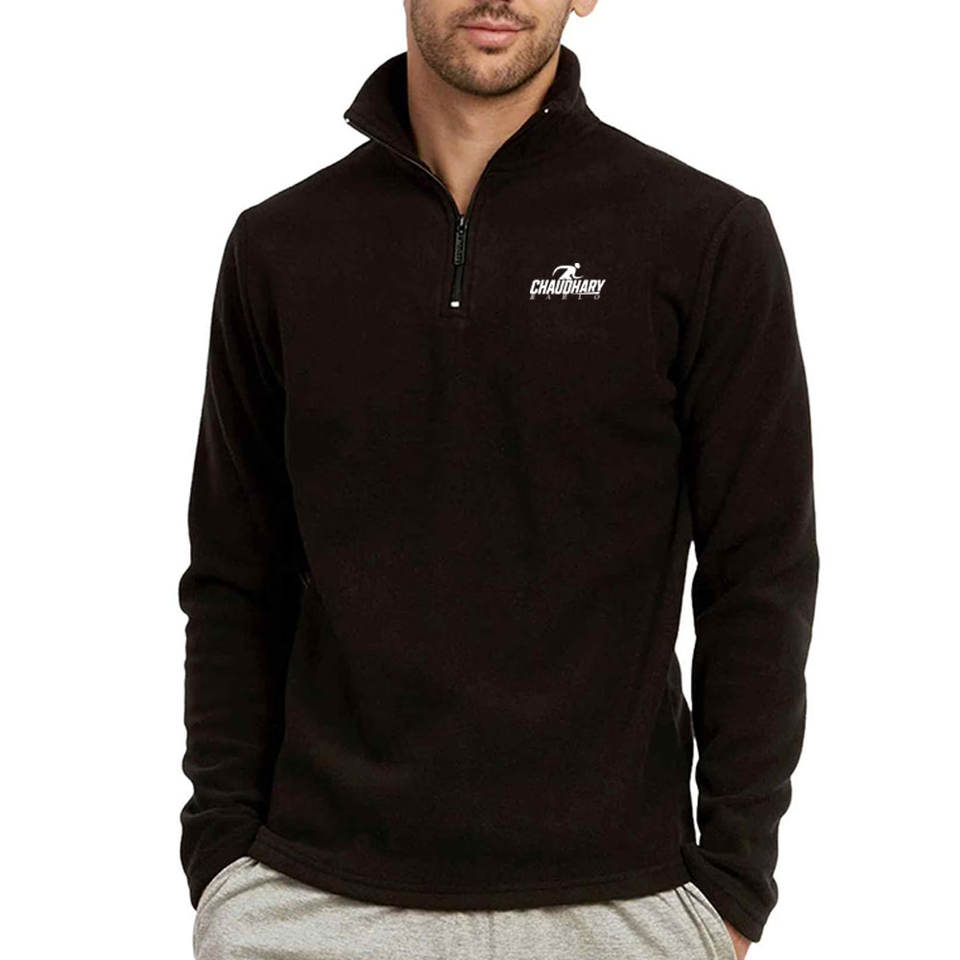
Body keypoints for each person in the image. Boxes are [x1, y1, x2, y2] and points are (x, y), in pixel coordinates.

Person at [178, 2, 820, 958]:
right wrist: (223, 864)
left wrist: (731, 886)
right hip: (314, 902)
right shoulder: (281, 247)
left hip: (620, 908)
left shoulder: (705, 238)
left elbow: (760, 575)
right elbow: (235, 576)